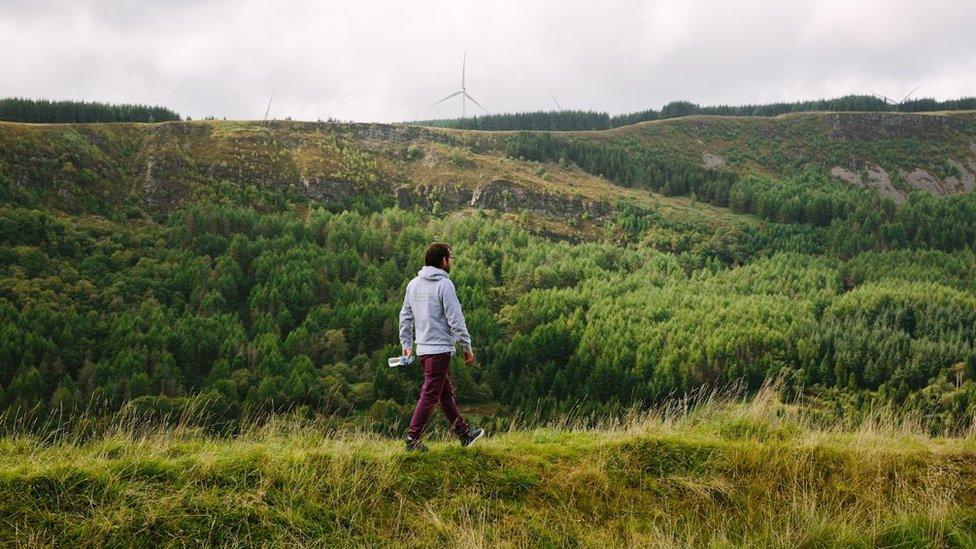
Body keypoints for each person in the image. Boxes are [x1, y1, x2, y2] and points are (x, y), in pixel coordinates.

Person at [398, 242, 485, 452]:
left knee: (445, 395)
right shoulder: (445, 285)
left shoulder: (413, 284)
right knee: (429, 394)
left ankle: (464, 433)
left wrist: (407, 345)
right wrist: (467, 346)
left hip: (423, 351)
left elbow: (405, 316)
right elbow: (456, 319)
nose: (451, 262)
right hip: (439, 350)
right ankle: (413, 438)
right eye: (450, 258)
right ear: (443, 261)